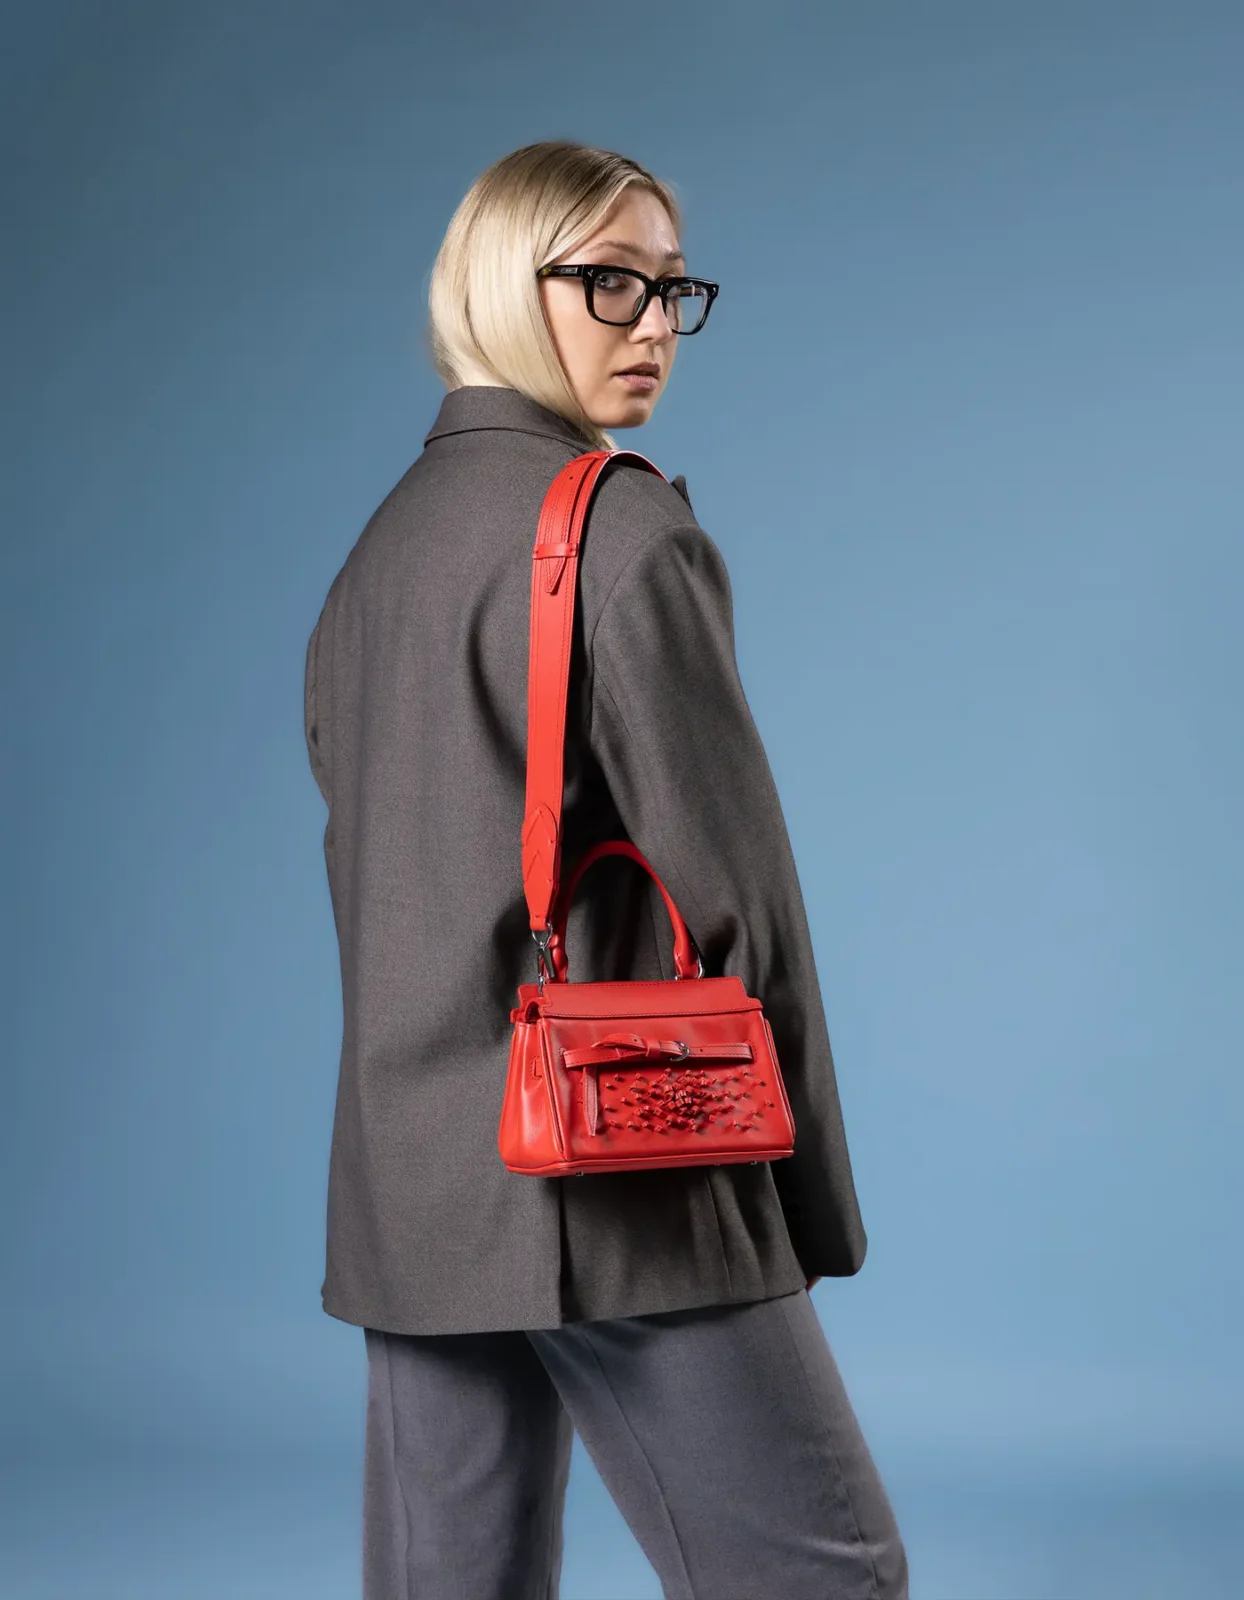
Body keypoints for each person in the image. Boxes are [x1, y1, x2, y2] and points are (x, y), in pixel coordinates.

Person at [303, 139, 909, 1600]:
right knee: (828, 1578)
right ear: (506, 286)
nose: (652, 325)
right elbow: (744, 905)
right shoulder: (620, 529)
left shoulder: (378, 556)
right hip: (622, 1172)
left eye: (670, 288)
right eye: (612, 282)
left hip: (417, 1187)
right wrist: (808, 1201)